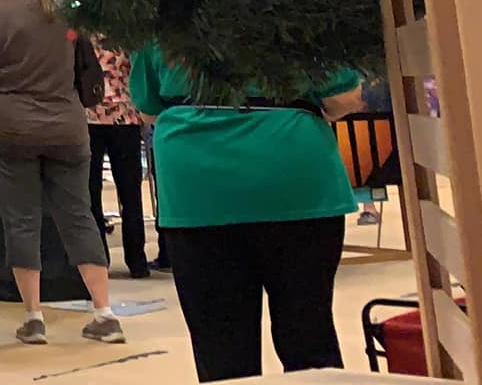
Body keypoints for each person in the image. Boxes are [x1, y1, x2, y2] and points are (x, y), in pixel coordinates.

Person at [129, 44, 365, 382]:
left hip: (198, 187)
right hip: (295, 175)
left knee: (222, 351)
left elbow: (148, 105)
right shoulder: (297, 10)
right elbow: (342, 96)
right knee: (309, 338)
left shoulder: (160, 15)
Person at [0, 0, 122, 345]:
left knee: (21, 220)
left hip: (11, 130)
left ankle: (33, 318)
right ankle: (104, 313)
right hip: (68, 128)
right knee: (79, 216)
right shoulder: (65, 13)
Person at [86, 38, 150, 277]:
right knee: (130, 193)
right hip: (125, 117)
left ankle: (99, 260)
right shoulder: (127, 34)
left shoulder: (79, 32)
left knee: (91, 193)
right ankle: (137, 260)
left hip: (89, 116)